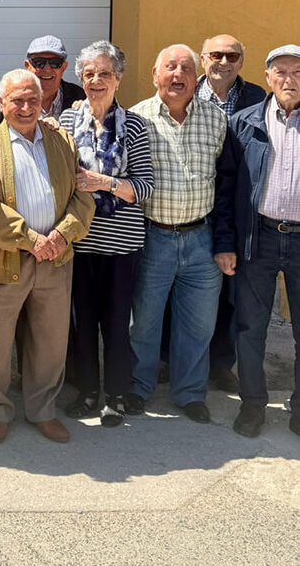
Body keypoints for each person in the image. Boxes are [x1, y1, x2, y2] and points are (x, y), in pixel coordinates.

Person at [0, 69, 94, 444]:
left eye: (32, 100)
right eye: (17, 100)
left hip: (56, 258)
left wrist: (61, 235)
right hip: (9, 259)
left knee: (50, 339)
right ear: (2, 104)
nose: (26, 107)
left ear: (43, 102)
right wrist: (30, 239)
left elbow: (83, 193)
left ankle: (42, 409)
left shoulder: (62, 141)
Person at [129, 45, 227, 423]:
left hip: (202, 239)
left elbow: (228, 179)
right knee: (145, 322)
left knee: (198, 324)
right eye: (170, 67)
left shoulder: (217, 120)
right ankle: (139, 388)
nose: (177, 74)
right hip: (154, 237)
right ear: (155, 74)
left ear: (196, 75)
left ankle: (189, 394)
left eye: (186, 67)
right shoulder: (137, 118)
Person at [59, 41, 154, 427]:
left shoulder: (134, 126)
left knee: (116, 324)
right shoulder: (66, 121)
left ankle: (115, 394)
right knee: (82, 323)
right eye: (89, 74)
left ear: (118, 78)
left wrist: (104, 182)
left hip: (121, 245)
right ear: (81, 79)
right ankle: (87, 391)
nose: (96, 80)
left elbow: (144, 187)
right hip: (79, 242)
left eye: (104, 74)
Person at [214, 44, 300, 439]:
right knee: (250, 328)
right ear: (267, 78)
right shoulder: (246, 122)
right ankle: (252, 406)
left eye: (297, 72)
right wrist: (226, 242)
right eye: (280, 72)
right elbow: (227, 189)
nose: (289, 80)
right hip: (258, 237)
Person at [195, 33, 266, 391]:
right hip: (192, 207)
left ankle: (220, 363)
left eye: (233, 56)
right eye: (217, 55)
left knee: (230, 292)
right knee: (180, 291)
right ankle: (168, 358)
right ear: (203, 57)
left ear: (242, 60)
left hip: (237, 208)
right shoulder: (183, 92)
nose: (224, 62)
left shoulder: (259, 100)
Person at [23, 35, 85, 120]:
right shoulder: (12, 101)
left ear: (64, 67)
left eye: (55, 63)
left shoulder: (80, 97)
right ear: (27, 67)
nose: (47, 69)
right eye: (39, 62)